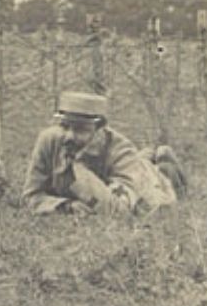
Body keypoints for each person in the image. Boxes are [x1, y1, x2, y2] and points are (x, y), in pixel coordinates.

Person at [21, 91, 186, 217]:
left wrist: (79, 170)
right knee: (142, 160)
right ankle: (148, 154)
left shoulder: (120, 150)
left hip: (145, 179)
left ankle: (162, 160)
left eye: (80, 129)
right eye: (64, 126)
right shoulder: (49, 140)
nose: (69, 135)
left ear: (99, 130)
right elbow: (31, 196)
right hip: (131, 167)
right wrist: (66, 205)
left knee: (160, 185)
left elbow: (119, 210)